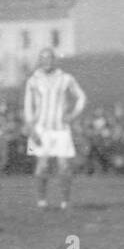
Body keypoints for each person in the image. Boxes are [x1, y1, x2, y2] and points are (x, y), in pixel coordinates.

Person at [24, 47, 86, 209]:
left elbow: (81, 97)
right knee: (42, 165)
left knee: (64, 166)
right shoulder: (33, 80)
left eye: (50, 58)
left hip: (61, 129)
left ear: (54, 60)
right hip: (40, 129)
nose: (47, 61)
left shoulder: (66, 78)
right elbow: (28, 106)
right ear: (40, 60)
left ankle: (65, 202)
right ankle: (41, 201)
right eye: (43, 58)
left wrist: (72, 115)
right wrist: (31, 127)